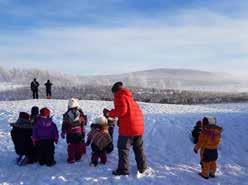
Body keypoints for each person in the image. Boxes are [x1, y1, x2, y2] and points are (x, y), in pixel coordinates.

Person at [103, 82, 147, 176]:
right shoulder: (130, 98)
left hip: (129, 129)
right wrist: (120, 121)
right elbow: (129, 113)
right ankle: (142, 167)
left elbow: (122, 111)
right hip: (139, 127)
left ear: (115, 91)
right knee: (139, 149)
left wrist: (109, 113)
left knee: (123, 149)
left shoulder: (119, 96)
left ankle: (123, 170)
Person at [61, 98, 87, 163]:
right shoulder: (80, 114)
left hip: (70, 133)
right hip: (79, 132)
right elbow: (83, 124)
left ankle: (71, 158)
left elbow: (64, 124)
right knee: (78, 145)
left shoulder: (66, 115)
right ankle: (78, 157)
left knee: (71, 146)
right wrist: (83, 133)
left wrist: (63, 132)